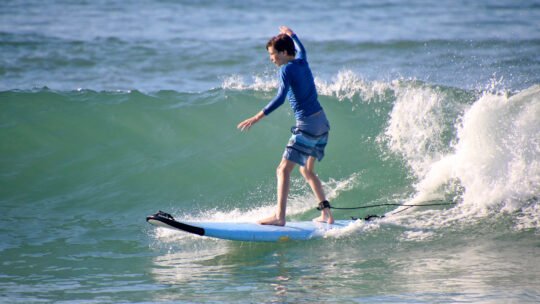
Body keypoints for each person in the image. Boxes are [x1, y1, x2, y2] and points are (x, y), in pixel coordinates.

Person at [237, 26, 334, 226]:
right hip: (322, 123)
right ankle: (327, 214)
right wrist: (293, 35)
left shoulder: (286, 69)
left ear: (282, 53)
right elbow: (302, 50)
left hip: (307, 125)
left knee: (283, 170)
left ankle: (280, 217)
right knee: (306, 171)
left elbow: (280, 98)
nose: (271, 58)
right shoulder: (301, 62)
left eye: (272, 54)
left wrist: (256, 117)